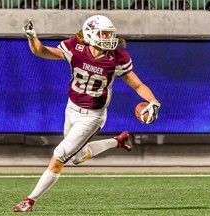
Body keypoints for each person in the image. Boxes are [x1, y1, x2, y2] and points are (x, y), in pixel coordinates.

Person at [13, 15, 161, 212]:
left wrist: (153, 101)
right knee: (76, 157)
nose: (109, 38)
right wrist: (32, 37)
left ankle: (29, 201)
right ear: (91, 34)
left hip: (92, 116)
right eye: (104, 34)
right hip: (71, 108)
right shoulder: (75, 47)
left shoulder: (117, 57)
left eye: (110, 33)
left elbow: (137, 84)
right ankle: (118, 141)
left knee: (59, 156)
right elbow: (40, 51)